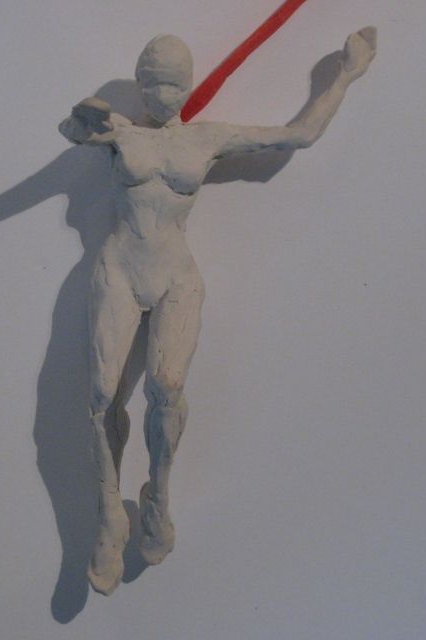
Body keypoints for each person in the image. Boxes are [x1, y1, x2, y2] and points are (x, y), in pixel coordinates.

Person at [59, 27, 376, 595]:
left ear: (189, 86)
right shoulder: (120, 132)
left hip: (176, 275)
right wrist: (83, 121)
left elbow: (299, 135)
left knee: (167, 387)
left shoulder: (208, 138)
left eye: (176, 84)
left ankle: (157, 494)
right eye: (155, 83)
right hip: (119, 269)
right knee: (101, 397)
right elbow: (73, 130)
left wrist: (345, 75)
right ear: (140, 84)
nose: (165, 95)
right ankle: (108, 513)